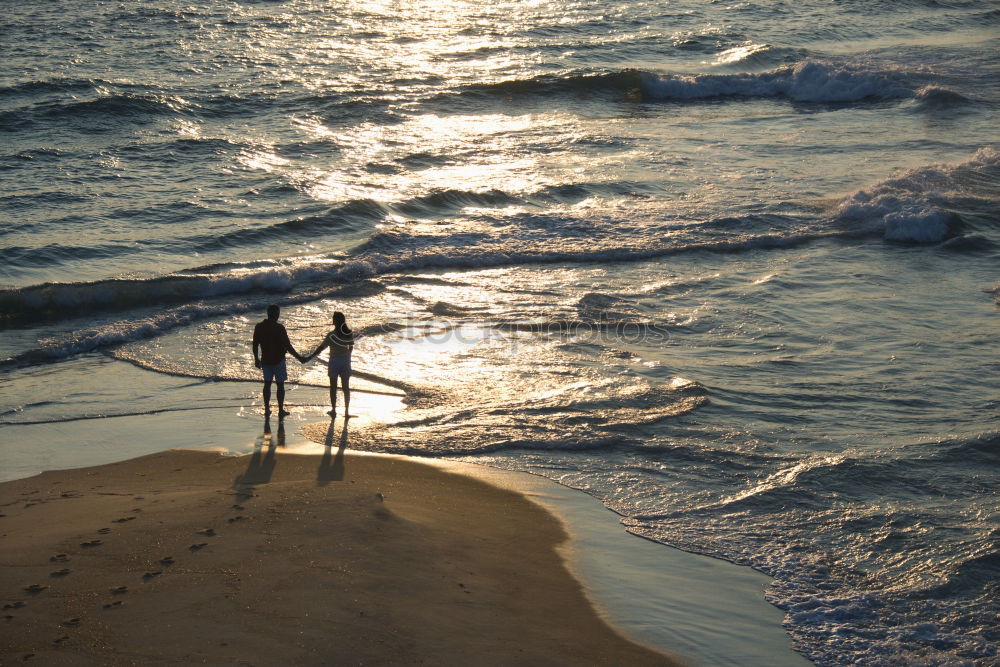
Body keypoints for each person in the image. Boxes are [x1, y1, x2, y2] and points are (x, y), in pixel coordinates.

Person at [252, 304, 305, 418]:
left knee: (267, 384)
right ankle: (280, 410)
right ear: (276, 314)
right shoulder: (279, 328)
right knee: (280, 385)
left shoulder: (259, 326)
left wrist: (256, 359)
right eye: (278, 313)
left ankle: (267, 409)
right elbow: (288, 346)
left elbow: (255, 344)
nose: (278, 315)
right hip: (278, 360)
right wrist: (299, 357)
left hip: (265, 360)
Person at [305, 311, 355, 418]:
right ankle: (346, 412)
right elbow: (351, 346)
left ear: (336, 321)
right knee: (346, 387)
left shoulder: (331, 335)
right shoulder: (348, 332)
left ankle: (334, 410)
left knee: (333, 387)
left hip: (335, 361)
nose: (332, 320)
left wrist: (310, 357)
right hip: (346, 361)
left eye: (333, 318)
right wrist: (347, 357)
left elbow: (321, 348)